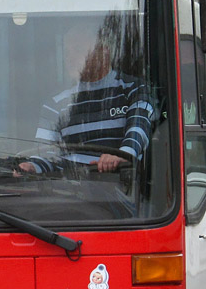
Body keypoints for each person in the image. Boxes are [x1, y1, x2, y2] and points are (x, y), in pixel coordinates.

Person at [18, 20, 156, 176]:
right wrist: (31, 167)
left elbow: (138, 132)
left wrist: (121, 155)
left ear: (103, 52)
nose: (69, 58)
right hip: (67, 194)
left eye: (77, 50)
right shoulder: (55, 104)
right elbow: (46, 155)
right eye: (67, 52)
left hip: (121, 191)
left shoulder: (134, 90)